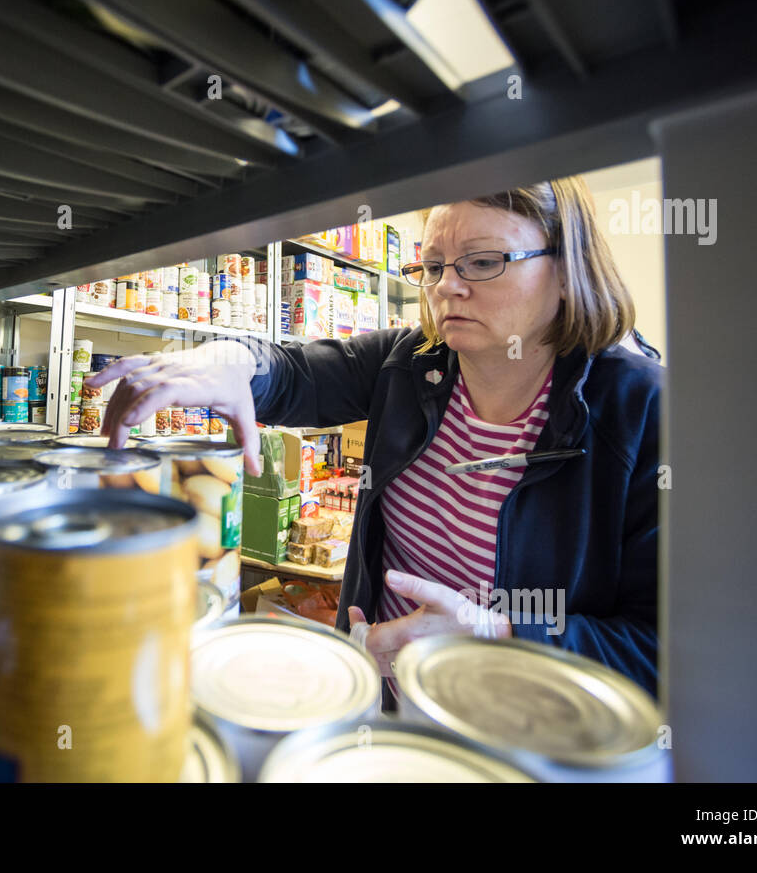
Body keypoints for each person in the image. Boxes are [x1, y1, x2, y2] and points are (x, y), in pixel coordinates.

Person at [87, 178, 662, 701]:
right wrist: (230, 360)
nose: (447, 288)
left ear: (567, 270)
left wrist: (502, 633)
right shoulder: (412, 362)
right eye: (432, 266)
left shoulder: (643, 410)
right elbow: (295, 372)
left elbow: (668, 651)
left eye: (483, 262)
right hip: (381, 707)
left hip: (525, 734)